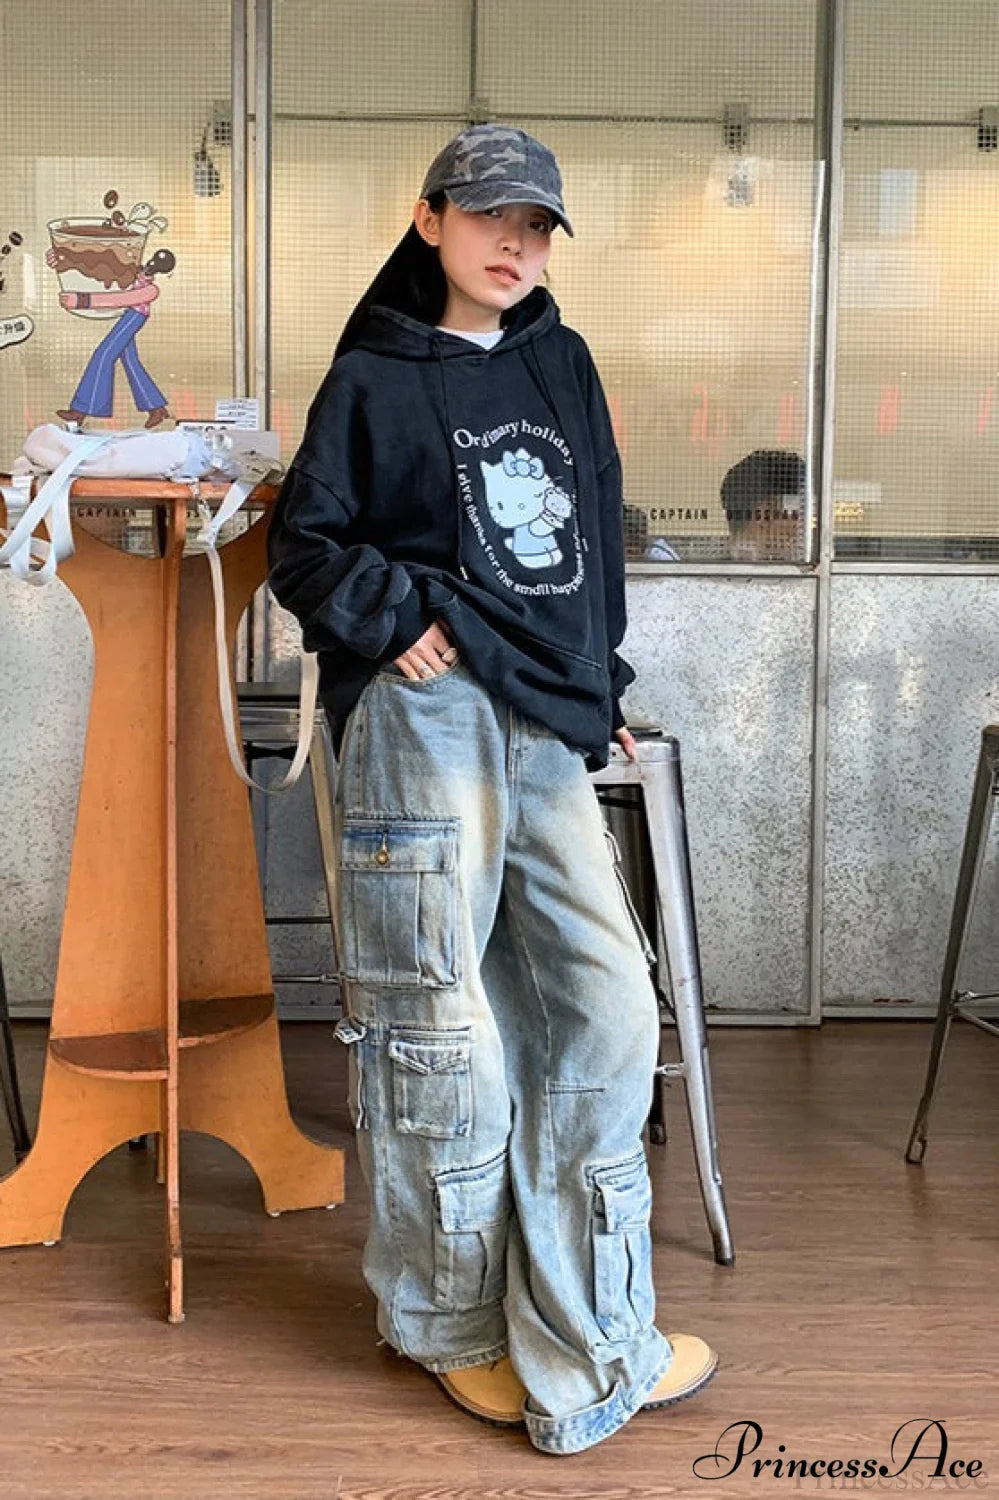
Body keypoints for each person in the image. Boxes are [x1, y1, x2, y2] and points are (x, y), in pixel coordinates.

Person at [267, 124, 717, 1456]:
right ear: (430, 221)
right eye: (489, 218)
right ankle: (448, 1324)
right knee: (439, 1028)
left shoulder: (558, 362)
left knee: (603, 1005)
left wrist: (597, 681)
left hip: (543, 716)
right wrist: (397, 614)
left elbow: (591, 538)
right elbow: (306, 545)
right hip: (426, 715)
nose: (513, 245)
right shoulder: (371, 375)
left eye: (534, 226)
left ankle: (590, 1332)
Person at [51, 248, 175, 428]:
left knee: (103, 355)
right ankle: (156, 409)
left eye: (157, 265)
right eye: (152, 261)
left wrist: (81, 300)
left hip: (134, 317)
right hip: (128, 315)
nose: (151, 265)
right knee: (130, 361)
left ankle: (81, 411)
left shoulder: (151, 290)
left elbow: (121, 299)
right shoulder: (134, 274)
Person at [720, 448, 806, 561]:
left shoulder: (706, 569)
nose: (805, 525)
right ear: (764, 514)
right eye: (798, 513)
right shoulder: (797, 569)